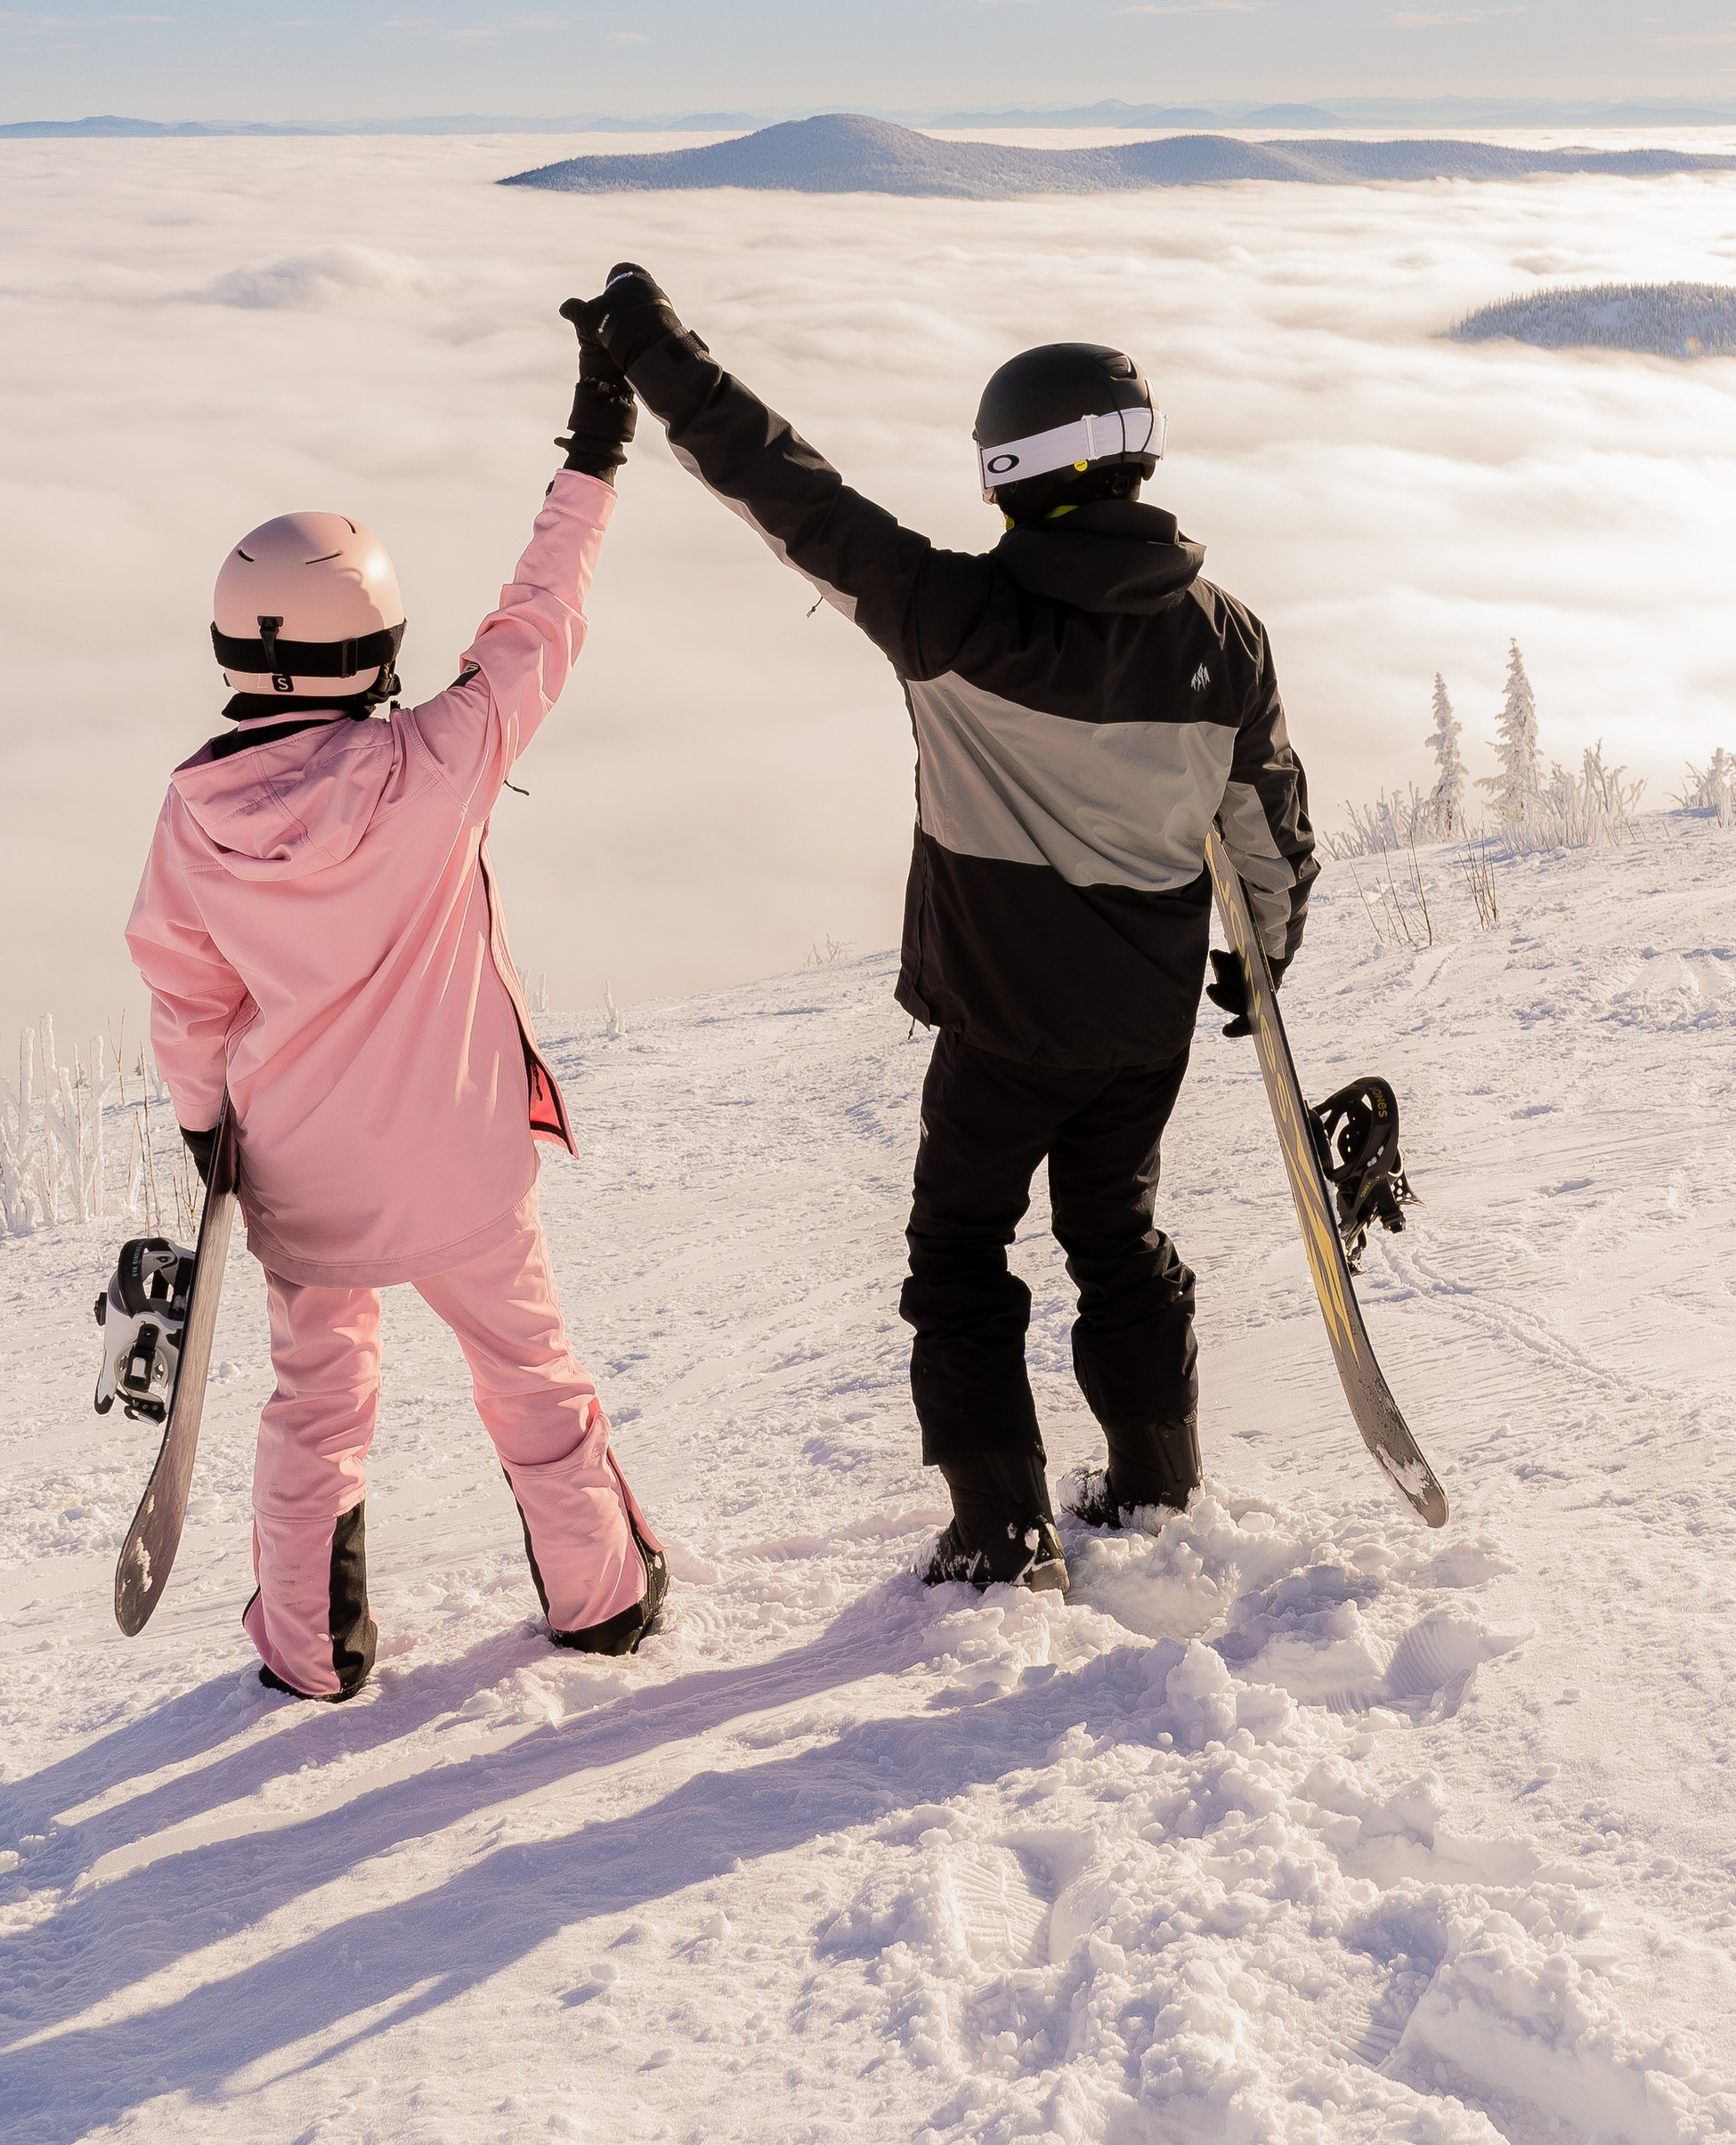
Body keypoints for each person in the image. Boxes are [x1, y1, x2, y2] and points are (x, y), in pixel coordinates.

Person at [561, 268, 1315, 1598]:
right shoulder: (1226, 640)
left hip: (1001, 1022)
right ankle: (1156, 1484)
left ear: (1008, 471)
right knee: (1118, 1238)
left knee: (961, 1252)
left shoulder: (950, 615)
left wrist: (653, 352)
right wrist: (1263, 959)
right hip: (1142, 1026)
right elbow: (1268, 831)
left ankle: (1001, 1531)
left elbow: (786, 488)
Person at [124, 321, 666, 1702]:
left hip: (302, 1173)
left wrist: (205, 1129)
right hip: (464, 1162)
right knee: (529, 1371)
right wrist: (596, 444)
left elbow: (186, 995)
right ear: (376, 644)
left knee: (318, 1402)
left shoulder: (194, 818)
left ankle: (312, 1649)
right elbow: (540, 616)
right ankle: (601, 1597)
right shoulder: (442, 760)